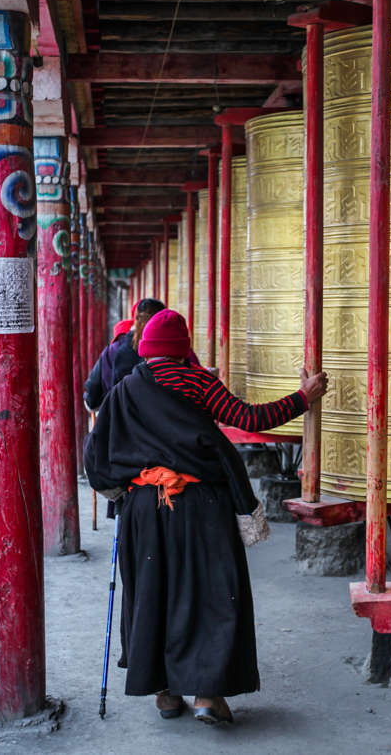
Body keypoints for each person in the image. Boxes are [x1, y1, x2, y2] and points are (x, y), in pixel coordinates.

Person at [84, 309, 328, 726]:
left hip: (145, 507)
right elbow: (251, 419)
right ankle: (207, 696)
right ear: (183, 352)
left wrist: (124, 488)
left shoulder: (124, 391)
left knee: (151, 592)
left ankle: (163, 692)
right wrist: (304, 397)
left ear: (145, 351)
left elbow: (95, 456)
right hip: (201, 505)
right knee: (211, 594)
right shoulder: (197, 381)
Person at [83, 299, 166, 410]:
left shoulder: (114, 351)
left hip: (121, 420)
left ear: (135, 319)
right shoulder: (177, 350)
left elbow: (91, 399)